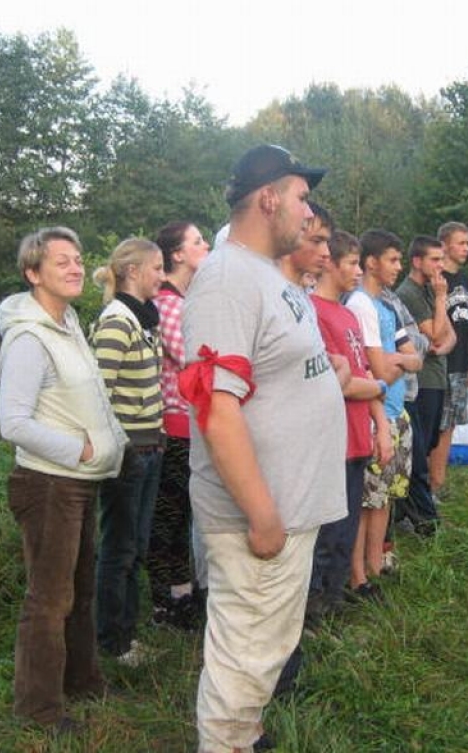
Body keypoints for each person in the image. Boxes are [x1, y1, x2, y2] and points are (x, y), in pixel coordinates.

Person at [181, 144, 347, 753]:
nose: (309, 215)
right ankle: (226, 742)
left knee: (265, 650)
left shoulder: (264, 274)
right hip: (259, 517)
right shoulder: (225, 279)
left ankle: (245, 738)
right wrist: (262, 512)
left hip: (288, 508)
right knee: (244, 656)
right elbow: (216, 409)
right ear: (268, 198)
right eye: (302, 198)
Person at [0, 226, 127, 735]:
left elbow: (87, 399)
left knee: (80, 590)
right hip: (48, 484)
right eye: (61, 262)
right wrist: (83, 450)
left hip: (78, 481)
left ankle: (82, 680)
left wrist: (111, 445)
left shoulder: (69, 322)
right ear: (33, 273)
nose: (75, 268)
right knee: (48, 600)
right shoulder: (29, 338)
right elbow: (15, 423)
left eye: (77, 259)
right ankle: (39, 709)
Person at [90, 237, 166, 666]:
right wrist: (122, 448)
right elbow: (99, 392)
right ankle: (112, 642)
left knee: (134, 545)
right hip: (128, 455)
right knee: (119, 547)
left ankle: (127, 635)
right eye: (156, 268)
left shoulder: (141, 320)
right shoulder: (118, 321)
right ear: (133, 272)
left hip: (149, 446)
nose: (161, 275)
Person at [309, 228, 390, 618]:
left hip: (359, 435)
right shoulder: (316, 312)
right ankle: (318, 605)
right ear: (331, 265)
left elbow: (360, 374)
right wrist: (376, 386)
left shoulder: (346, 313)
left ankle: (337, 597)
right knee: (329, 530)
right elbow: (338, 382)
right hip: (334, 438)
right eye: (352, 263)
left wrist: (381, 425)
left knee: (348, 525)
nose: (358, 272)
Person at [344, 229, 422, 594]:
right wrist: (399, 362)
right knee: (366, 500)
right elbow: (374, 371)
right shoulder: (360, 304)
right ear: (371, 262)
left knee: (385, 497)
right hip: (377, 413)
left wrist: (397, 361)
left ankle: (375, 566)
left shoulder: (387, 304)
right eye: (392, 259)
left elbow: (415, 357)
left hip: (396, 409)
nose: (398, 266)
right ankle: (357, 574)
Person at [147, 221, 212, 631]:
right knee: (169, 515)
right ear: (177, 255)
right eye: (197, 241)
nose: (205, 246)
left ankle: (182, 592)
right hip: (174, 425)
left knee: (183, 513)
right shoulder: (168, 303)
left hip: (190, 424)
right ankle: (166, 601)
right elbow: (190, 356)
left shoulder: (185, 299)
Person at [395, 235, 455, 534]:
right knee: (417, 450)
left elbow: (449, 336)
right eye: (435, 259)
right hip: (421, 381)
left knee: (428, 443)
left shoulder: (431, 290)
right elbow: (434, 335)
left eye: (442, 259)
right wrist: (442, 299)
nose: (440, 266)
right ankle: (418, 517)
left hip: (436, 375)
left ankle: (406, 510)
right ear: (417, 261)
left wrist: (441, 343)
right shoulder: (410, 293)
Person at [430, 222, 468, 499]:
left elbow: (466, 327)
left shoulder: (465, 282)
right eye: (461, 243)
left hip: (460, 365)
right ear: (445, 245)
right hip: (439, 366)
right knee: (437, 425)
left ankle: (437, 483)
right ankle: (431, 485)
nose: (466, 248)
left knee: (449, 426)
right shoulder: (436, 280)